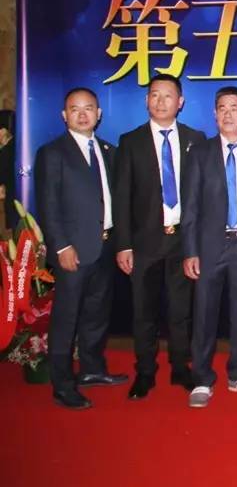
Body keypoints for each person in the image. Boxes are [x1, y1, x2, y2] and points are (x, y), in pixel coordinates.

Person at [113, 74, 206, 399]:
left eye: (168, 96)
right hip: (144, 243)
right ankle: (145, 372)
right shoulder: (130, 141)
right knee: (144, 312)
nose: (161, 101)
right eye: (155, 95)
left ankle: (181, 368)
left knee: (182, 311)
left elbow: (203, 194)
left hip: (183, 241)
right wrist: (123, 244)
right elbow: (121, 197)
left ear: (180, 102)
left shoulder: (196, 139)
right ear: (146, 100)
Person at [35, 88, 127, 409]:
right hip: (72, 251)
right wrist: (61, 246)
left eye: (89, 108)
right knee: (66, 318)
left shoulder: (109, 150)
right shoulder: (52, 153)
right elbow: (47, 204)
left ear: (99, 114)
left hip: (105, 246)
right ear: (65, 116)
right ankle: (62, 384)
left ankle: (92, 369)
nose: (83, 114)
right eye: (75, 109)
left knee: (96, 314)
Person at [181, 87, 237, 408]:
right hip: (208, 246)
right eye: (222, 108)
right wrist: (190, 250)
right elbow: (190, 206)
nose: (228, 114)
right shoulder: (200, 153)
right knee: (204, 313)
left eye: (235, 108)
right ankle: (202, 379)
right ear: (215, 114)